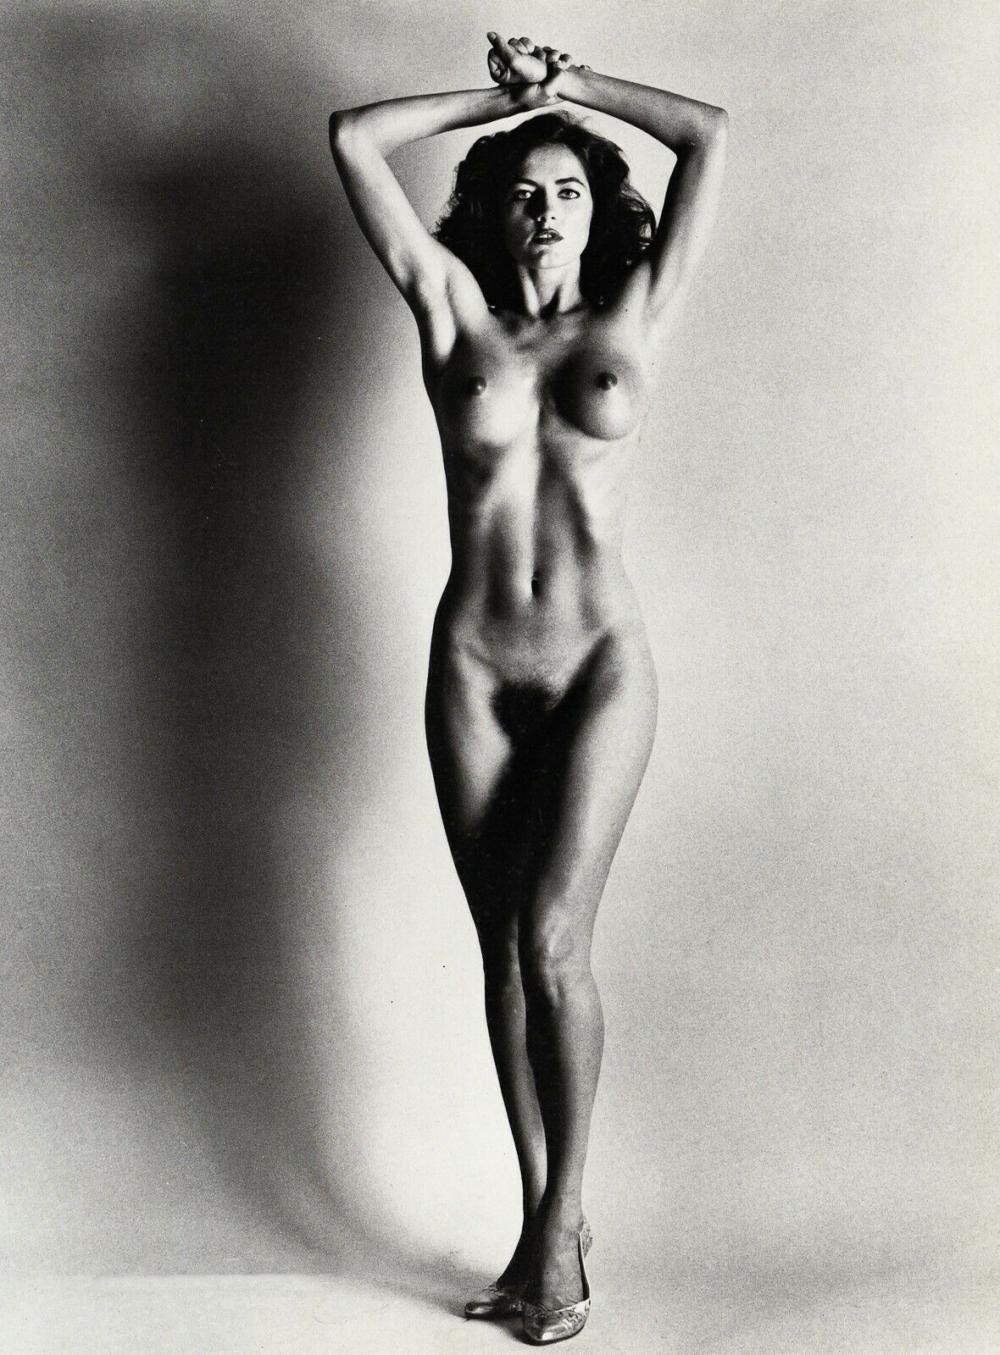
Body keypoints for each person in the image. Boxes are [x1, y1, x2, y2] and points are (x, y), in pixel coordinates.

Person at [329, 32, 727, 1345]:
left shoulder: (633, 315)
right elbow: (352, 138)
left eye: (566, 190)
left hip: (600, 657)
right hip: (473, 662)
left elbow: (709, 136)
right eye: (522, 191)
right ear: (492, 212)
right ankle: (538, 1213)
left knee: (556, 938)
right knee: (502, 946)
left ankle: (561, 1228)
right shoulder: (452, 311)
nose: (546, 210)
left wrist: (575, 93)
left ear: (597, 210)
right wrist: (502, 102)